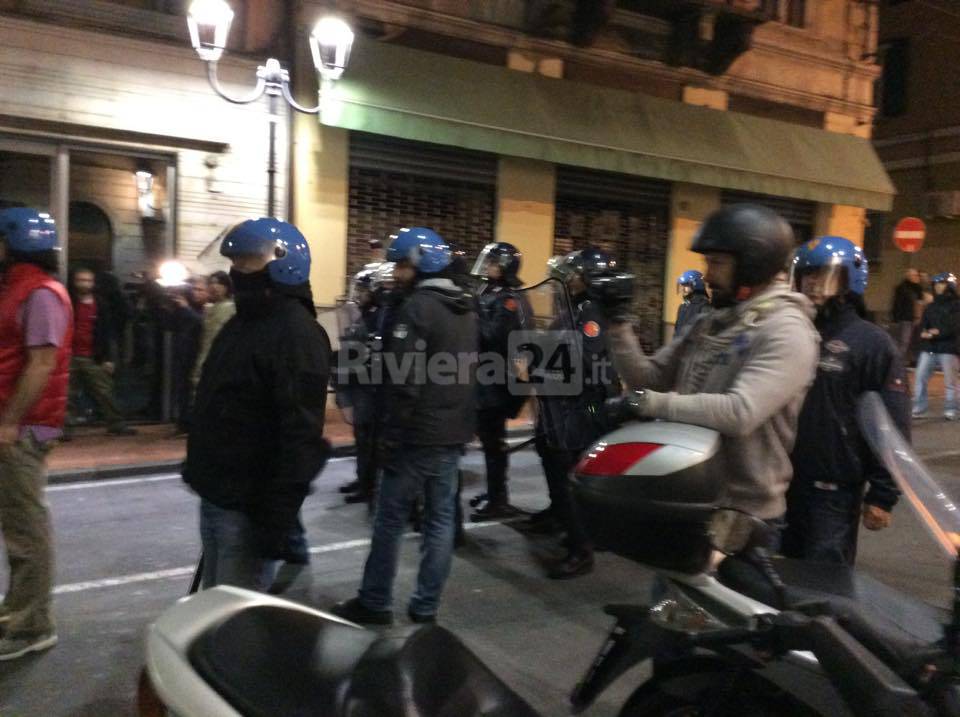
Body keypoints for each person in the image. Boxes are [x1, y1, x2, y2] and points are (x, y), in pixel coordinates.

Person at [598, 204, 820, 533]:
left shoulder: (787, 331)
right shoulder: (710, 322)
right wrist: (617, 324)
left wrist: (647, 403)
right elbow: (650, 378)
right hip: (689, 491)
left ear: (753, 264)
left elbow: (739, 412)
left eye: (716, 263)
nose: (707, 275)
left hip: (742, 514)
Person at [332, 226, 477, 625]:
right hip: (451, 433)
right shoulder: (465, 307)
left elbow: (404, 381)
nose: (395, 274)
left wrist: (390, 438)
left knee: (389, 520)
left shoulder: (418, 308)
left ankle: (375, 600)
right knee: (440, 521)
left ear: (419, 264)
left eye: (401, 265)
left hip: (416, 436)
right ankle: (426, 606)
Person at [182, 217, 331, 591]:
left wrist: (276, 519)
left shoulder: (297, 333)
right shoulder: (241, 321)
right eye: (236, 263)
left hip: (249, 506)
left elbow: (300, 433)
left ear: (281, 263)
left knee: (235, 619)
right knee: (213, 605)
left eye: (248, 263)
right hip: (218, 492)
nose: (237, 271)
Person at [782, 236, 908, 565]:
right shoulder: (790, 333)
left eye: (823, 275)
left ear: (850, 280)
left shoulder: (872, 344)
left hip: (832, 496)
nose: (811, 283)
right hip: (777, 485)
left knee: (823, 594)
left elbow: (891, 426)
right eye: (806, 275)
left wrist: (883, 494)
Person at [0, 208, 72, 660]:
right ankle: (18, 609)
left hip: (23, 427)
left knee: (27, 529)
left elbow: (42, 362)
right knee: (16, 524)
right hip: (17, 423)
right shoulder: (20, 289)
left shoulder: (41, 293)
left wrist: (9, 421)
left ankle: (32, 626)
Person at [531, 247, 621, 579]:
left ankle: (581, 549)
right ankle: (566, 525)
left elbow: (585, 361)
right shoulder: (575, 308)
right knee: (556, 465)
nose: (567, 278)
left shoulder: (590, 313)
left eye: (574, 273)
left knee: (572, 475)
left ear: (589, 278)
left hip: (580, 407)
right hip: (562, 404)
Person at [469, 241, 530, 521]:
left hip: (497, 380)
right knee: (489, 440)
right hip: (483, 377)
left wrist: (474, 313)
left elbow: (495, 336)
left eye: (493, 262)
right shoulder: (488, 291)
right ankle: (494, 491)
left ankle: (499, 499)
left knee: (494, 441)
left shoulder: (510, 297)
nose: (488, 267)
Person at [65, 267, 136, 437]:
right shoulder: (68, 301)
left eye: (88, 280)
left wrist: (108, 358)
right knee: (68, 394)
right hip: (70, 354)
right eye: (81, 280)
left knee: (105, 391)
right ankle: (65, 427)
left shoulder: (100, 304)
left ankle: (116, 423)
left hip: (93, 355)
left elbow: (107, 332)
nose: (84, 284)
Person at [336, 265, 384, 506]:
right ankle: (362, 478)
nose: (359, 294)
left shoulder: (377, 316)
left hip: (370, 385)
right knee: (361, 437)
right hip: (359, 382)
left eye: (363, 290)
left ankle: (368, 484)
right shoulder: (364, 315)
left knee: (368, 439)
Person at [912, 272, 960, 421]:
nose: (938, 287)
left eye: (942, 284)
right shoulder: (931, 306)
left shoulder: (956, 305)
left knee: (950, 382)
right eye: (936, 284)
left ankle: (951, 409)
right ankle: (919, 407)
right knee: (920, 377)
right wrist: (927, 333)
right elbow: (922, 326)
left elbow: (952, 327)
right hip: (929, 348)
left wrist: (933, 333)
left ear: (950, 286)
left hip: (948, 349)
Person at [190, 270, 235, 394]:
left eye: (219, 283)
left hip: (215, 360)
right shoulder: (211, 308)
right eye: (211, 283)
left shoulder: (229, 308)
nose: (214, 287)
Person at [891, 268, 923, 359]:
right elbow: (897, 303)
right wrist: (896, 317)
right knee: (904, 341)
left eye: (917, 275)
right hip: (905, 318)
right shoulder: (902, 288)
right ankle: (899, 360)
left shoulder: (918, 288)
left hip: (914, 318)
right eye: (915, 275)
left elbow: (920, 302)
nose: (917, 277)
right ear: (909, 276)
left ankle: (909, 359)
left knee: (911, 341)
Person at [674, 269, 710, 336]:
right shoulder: (683, 306)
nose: (683, 289)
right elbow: (677, 330)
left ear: (696, 285)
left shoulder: (704, 307)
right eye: (682, 285)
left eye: (686, 285)